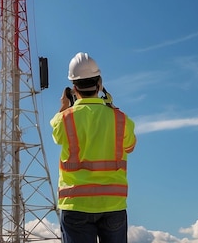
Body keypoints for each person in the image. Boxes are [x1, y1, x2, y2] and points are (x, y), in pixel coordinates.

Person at [50, 52, 137, 243]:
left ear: (74, 88)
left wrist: (65, 106)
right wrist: (110, 106)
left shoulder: (64, 119)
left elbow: (57, 135)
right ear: (99, 84)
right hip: (113, 204)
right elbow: (130, 147)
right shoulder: (121, 119)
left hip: (75, 204)